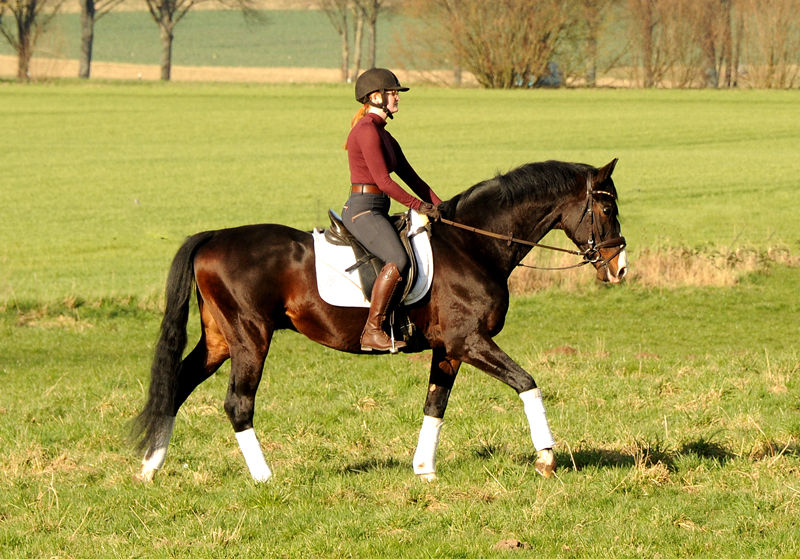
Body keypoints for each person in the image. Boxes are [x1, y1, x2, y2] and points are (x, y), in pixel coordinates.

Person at [342, 68, 442, 352]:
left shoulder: (386, 136)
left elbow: (414, 180)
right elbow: (385, 182)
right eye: (392, 92)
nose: (397, 97)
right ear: (376, 97)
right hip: (362, 211)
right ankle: (372, 330)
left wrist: (443, 207)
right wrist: (418, 206)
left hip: (378, 210)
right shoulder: (366, 131)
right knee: (398, 258)